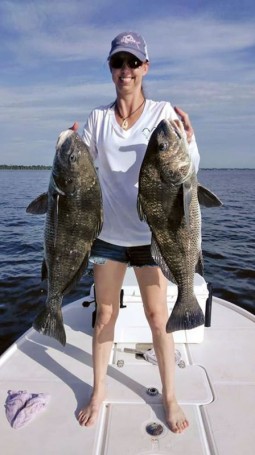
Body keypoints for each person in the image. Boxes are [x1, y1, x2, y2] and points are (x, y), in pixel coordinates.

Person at [78, 31, 200, 433]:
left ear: (145, 67)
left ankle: (170, 397)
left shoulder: (162, 113)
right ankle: (98, 391)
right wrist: (69, 148)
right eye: (118, 63)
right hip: (109, 236)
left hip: (154, 235)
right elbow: (80, 168)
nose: (125, 71)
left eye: (133, 63)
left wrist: (192, 142)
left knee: (156, 314)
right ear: (111, 69)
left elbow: (187, 168)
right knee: (105, 316)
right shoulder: (97, 118)